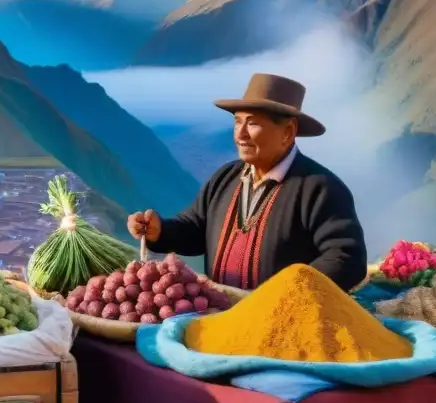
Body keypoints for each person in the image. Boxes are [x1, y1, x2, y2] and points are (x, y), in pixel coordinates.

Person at [128, 73, 368, 292]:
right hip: (222, 318)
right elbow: (195, 228)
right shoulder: (226, 178)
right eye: (237, 122)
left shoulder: (320, 188)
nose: (240, 134)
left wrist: (286, 293)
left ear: (287, 132)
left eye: (252, 123)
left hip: (285, 326)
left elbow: (346, 257)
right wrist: (161, 231)